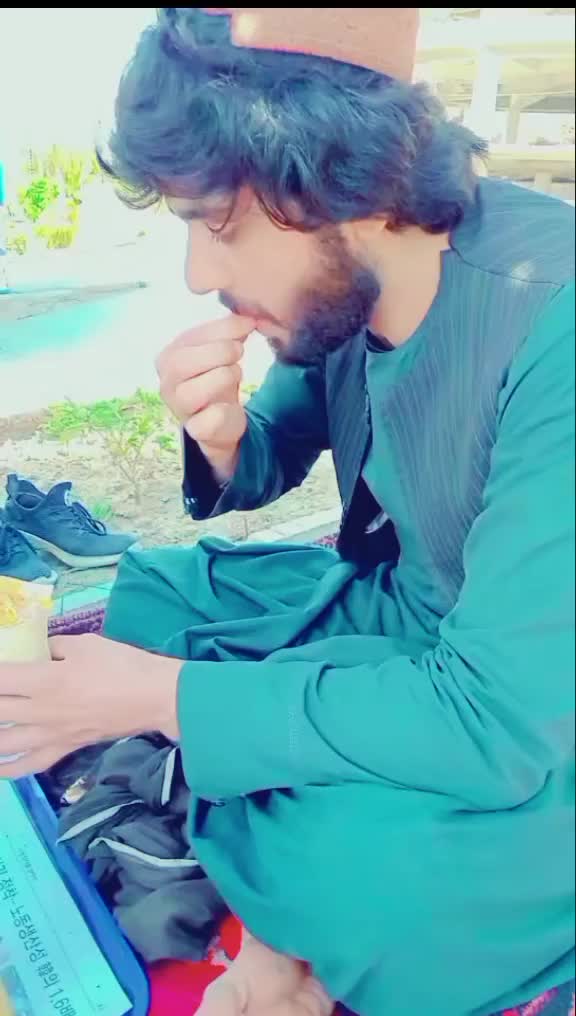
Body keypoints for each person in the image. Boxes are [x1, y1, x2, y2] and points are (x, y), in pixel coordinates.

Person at [0, 8, 574, 1015]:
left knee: (374, 881)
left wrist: (165, 699)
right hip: (402, 612)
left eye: (216, 224)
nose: (198, 275)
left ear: (338, 175)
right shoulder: (350, 281)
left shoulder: (551, 315)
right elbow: (278, 445)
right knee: (154, 594)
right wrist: (224, 438)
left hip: (526, 698)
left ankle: (296, 887)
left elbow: (500, 717)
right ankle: (270, 835)